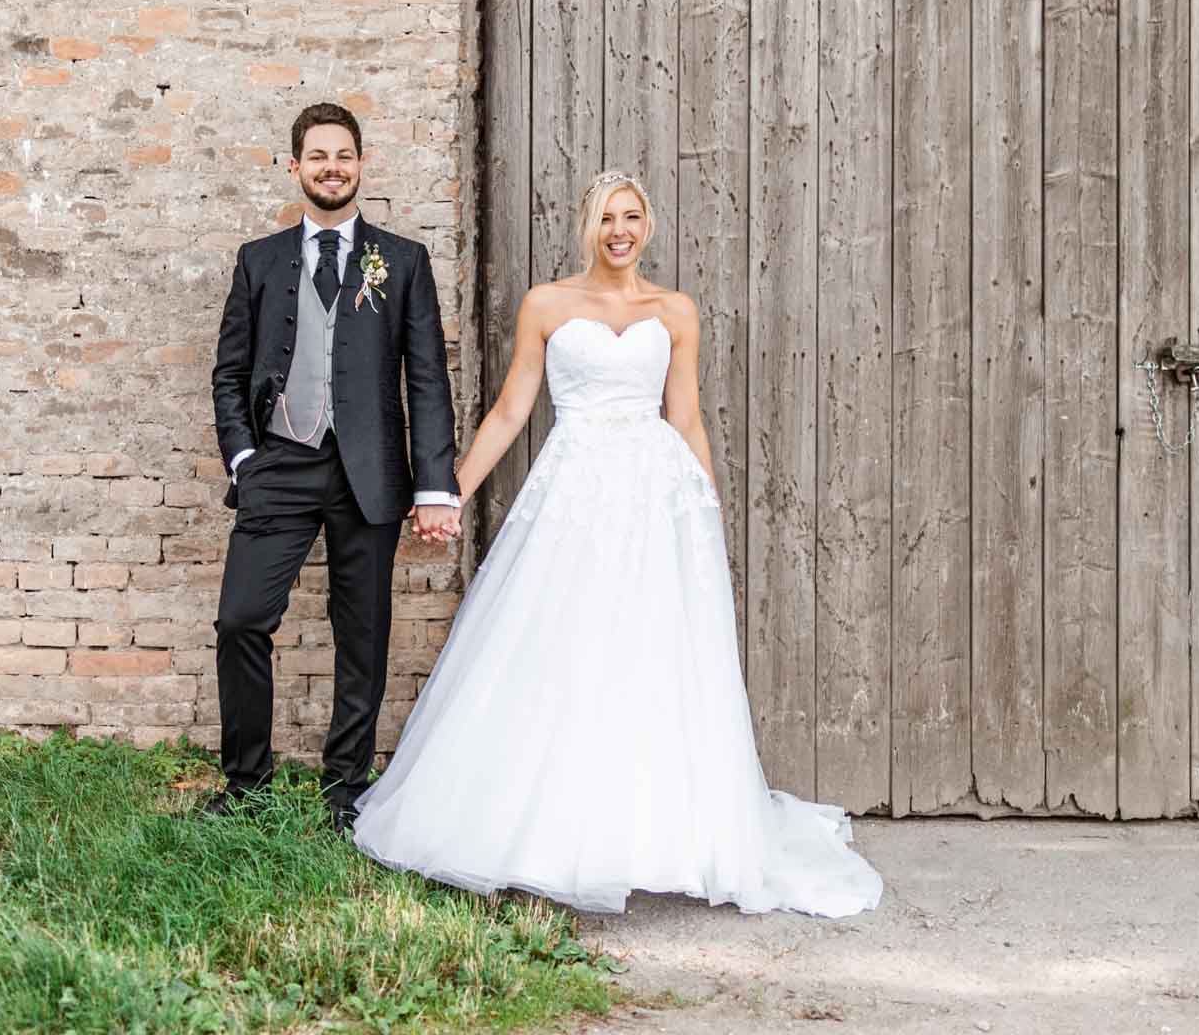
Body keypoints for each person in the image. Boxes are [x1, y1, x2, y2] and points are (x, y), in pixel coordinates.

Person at [350, 171, 883, 917]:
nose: (619, 230)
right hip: (572, 492)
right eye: (607, 218)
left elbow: (687, 415)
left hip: (654, 495)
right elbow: (510, 410)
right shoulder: (548, 303)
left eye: (631, 217)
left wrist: (705, 505)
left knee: (650, 654)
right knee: (561, 647)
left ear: (648, 226)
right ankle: (549, 828)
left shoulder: (675, 312)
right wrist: (450, 493)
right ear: (588, 227)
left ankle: (652, 836)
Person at [205, 102, 460, 835]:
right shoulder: (259, 261)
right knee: (241, 620)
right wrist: (246, 457)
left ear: (361, 163)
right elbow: (227, 373)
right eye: (317, 156)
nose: (331, 167)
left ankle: (345, 789)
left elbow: (426, 379)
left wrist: (433, 482)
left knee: (363, 635)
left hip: (369, 471)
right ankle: (245, 785)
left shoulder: (402, 260)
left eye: (343, 155)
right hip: (279, 463)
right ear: (295, 167)